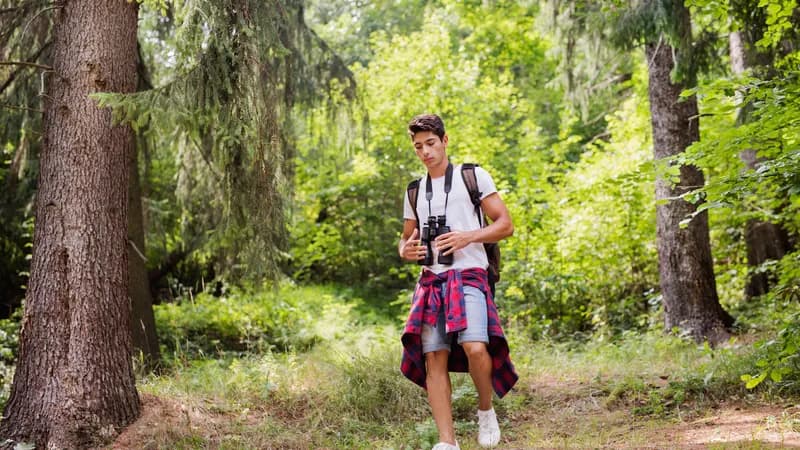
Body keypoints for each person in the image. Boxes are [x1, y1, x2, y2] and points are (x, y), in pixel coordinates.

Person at [398, 114, 518, 450]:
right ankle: (447, 442)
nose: (425, 152)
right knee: (433, 356)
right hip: (431, 281)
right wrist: (406, 250)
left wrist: (467, 237)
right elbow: (405, 239)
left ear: (445, 140)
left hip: (468, 276)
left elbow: (505, 225)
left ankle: (485, 409)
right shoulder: (413, 190)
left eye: (431, 143)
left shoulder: (472, 175)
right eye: (418, 146)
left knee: (476, 348)